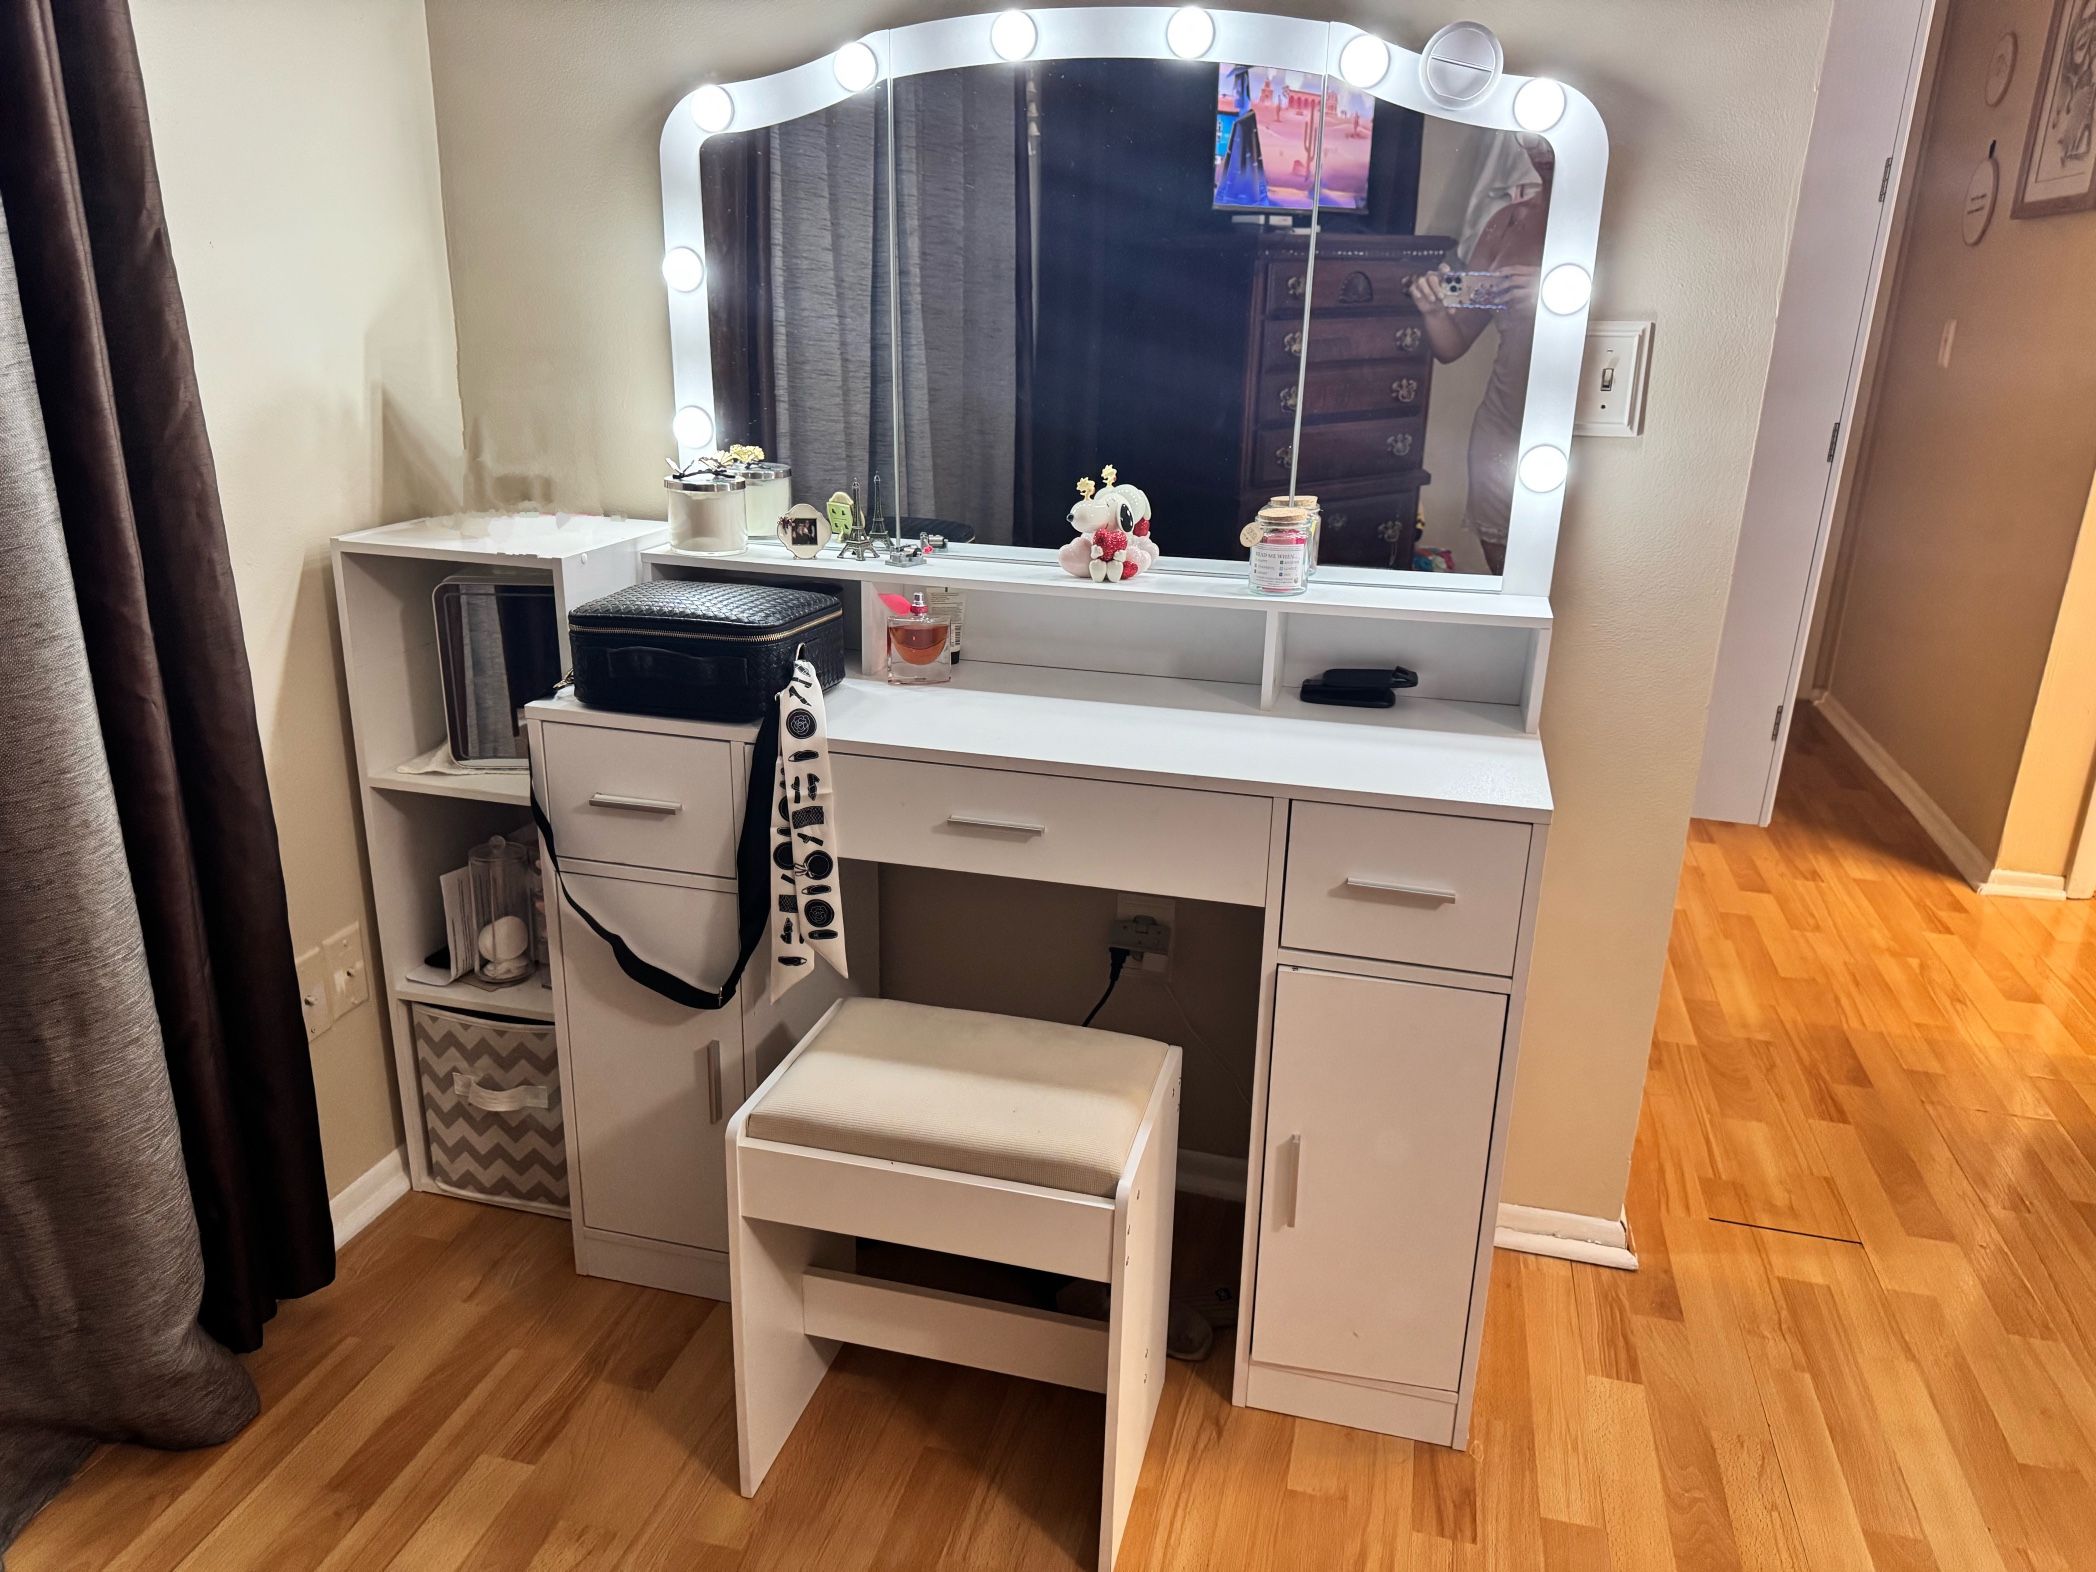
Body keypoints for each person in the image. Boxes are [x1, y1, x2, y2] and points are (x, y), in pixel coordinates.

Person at [1407, 134, 1553, 575]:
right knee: (1506, 573)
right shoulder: (1506, 222)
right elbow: (1452, 346)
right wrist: (1433, 310)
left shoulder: (1616, 225)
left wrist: (1552, 295)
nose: (1538, 145)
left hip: (1570, 432)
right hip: (1502, 429)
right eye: (1527, 133)